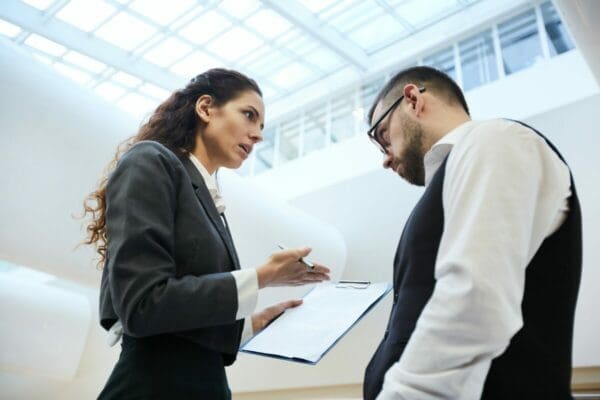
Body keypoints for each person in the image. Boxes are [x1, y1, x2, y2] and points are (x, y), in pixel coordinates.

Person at [82, 68, 330, 399]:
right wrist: (261, 276)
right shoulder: (150, 161)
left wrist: (251, 325)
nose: (257, 135)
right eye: (249, 115)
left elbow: (181, 319)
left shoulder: (207, 196)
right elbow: (143, 304)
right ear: (205, 108)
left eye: (260, 126)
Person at [362, 66, 581, 399]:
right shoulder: (455, 177)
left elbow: (474, 300)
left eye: (382, 135)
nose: (385, 159)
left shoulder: (497, 140)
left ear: (413, 100)